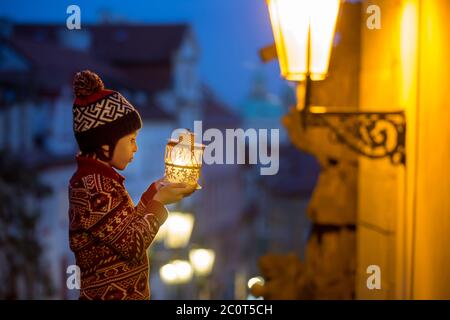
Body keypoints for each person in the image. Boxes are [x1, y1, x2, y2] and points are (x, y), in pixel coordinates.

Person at [68, 70, 195, 300]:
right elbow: (133, 245)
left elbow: (123, 232)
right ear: (105, 143)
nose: (135, 148)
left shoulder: (102, 181)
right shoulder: (93, 186)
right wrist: (158, 204)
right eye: (131, 140)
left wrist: (151, 195)